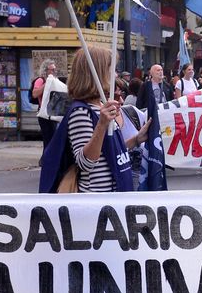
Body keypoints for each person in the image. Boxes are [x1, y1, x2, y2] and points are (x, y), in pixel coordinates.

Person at [61, 46, 143, 193]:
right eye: (112, 69)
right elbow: (85, 163)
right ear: (97, 73)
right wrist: (102, 125)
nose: (116, 74)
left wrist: (137, 139)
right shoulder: (81, 111)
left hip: (114, 196)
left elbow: (110, 151)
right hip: (98, 200)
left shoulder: (101, 106)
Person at [32, 59, 65, 146]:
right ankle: (46, 158)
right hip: (44, 114)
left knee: (54, 139)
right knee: (48, 139)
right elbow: (35, 94)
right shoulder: (40, 80)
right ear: (45, 70)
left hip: (53, 112)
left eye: (55, 69)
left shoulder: (55, 80)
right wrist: (46, 84)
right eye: (52, 69)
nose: (54, 71)